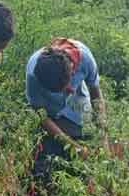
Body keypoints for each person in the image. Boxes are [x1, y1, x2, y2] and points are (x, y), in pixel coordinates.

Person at [26, 38, 106, 180]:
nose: (67, 91)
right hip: (51, 111)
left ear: (72, 69)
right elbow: (40, 113)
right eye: (59, 90)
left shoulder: (84, 58)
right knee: (47, 165)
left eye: (67, 87)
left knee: (91, 161)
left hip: (78, 107)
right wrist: (72, 146)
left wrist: (102, 133)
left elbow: (96, 94)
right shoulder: (34, 73)